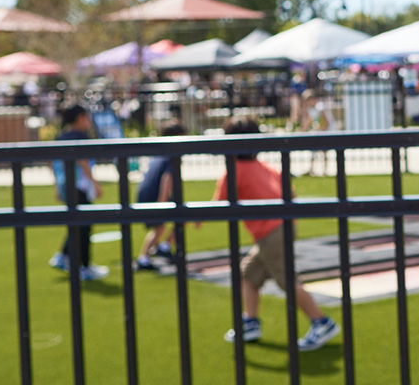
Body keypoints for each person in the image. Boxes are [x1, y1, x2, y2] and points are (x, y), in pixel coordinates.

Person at [214, 118, 340, 351]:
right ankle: (250, 322)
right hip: (284, 226)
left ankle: (321, 322)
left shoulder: (234, 171)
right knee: (248, 274)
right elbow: (289, 192)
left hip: (270, 232)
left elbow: (218, 204)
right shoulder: (267, 167)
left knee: (287, 281)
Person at [49, 104, 108, 281]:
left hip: (65, 185)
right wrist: (95, 183)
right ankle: (84, 266)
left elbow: (54, 163)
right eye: (87, 117)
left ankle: (64, 256)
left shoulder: (61, 137)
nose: (89, 121)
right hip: (78, 186)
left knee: (75, 222)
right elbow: (82, 160)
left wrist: (57, 186)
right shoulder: (79, 136)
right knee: (84, 224)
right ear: (80, 118)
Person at [134, 122, 187, 272]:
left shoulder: (160, 153)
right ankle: (144, 258)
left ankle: (162, 247)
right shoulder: (171, 155)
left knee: (172, 222)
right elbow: (167, 178)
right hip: (156, 196)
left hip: (148, 193)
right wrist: (162, 202)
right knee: (162, 225)